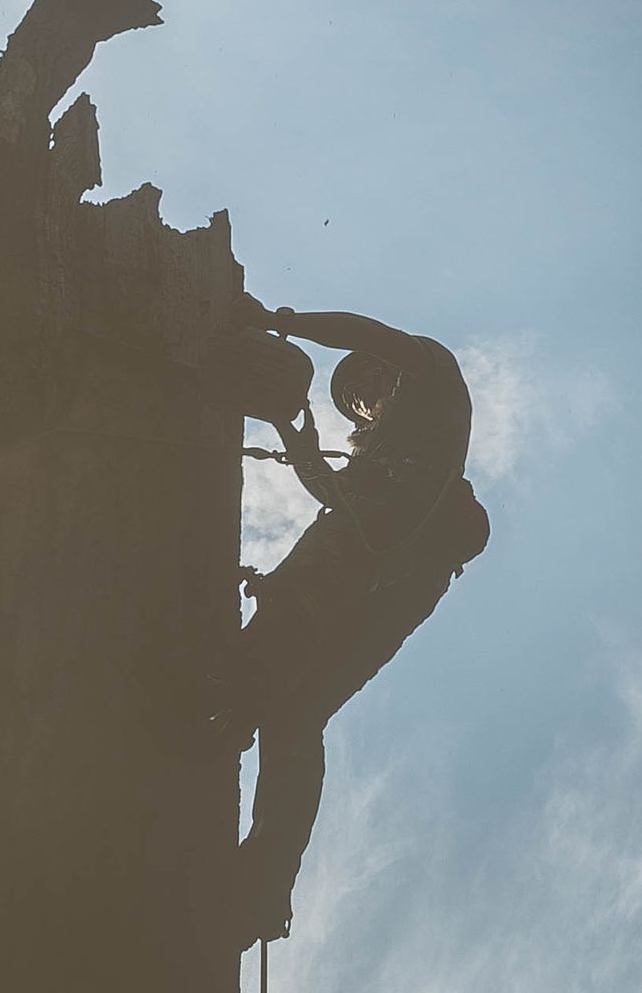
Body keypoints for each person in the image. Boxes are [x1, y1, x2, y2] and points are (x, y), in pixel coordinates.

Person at [219, 292, 490, 950]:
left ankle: (231, 689)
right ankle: (264, 880)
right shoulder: (373, 459)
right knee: (296, 716)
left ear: (388, 367)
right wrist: (291, 428)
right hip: (379, 570)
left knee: (313, 596)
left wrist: (280, 323)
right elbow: (327, 489)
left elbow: (359, 330)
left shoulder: (434, 379)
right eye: (355, 401)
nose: (365, 399)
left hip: (388, 574)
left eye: (368, 381)